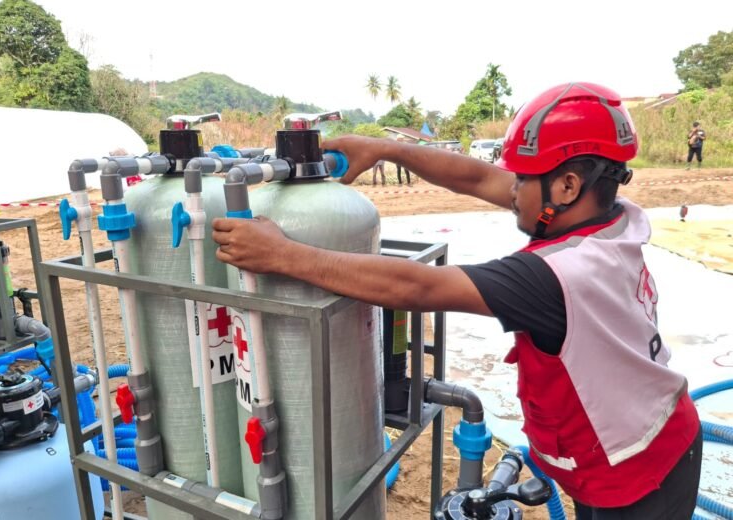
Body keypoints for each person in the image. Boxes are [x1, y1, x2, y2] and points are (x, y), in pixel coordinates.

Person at [212, 82, 701, 519]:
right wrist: (384, 149)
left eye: (522, 181)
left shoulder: (559, 275)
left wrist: (283, 255)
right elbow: (477, 178)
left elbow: (418, 287)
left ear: (567, 185)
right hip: (620, 446)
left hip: (638, 471)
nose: (510, 191)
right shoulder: (611, 215)